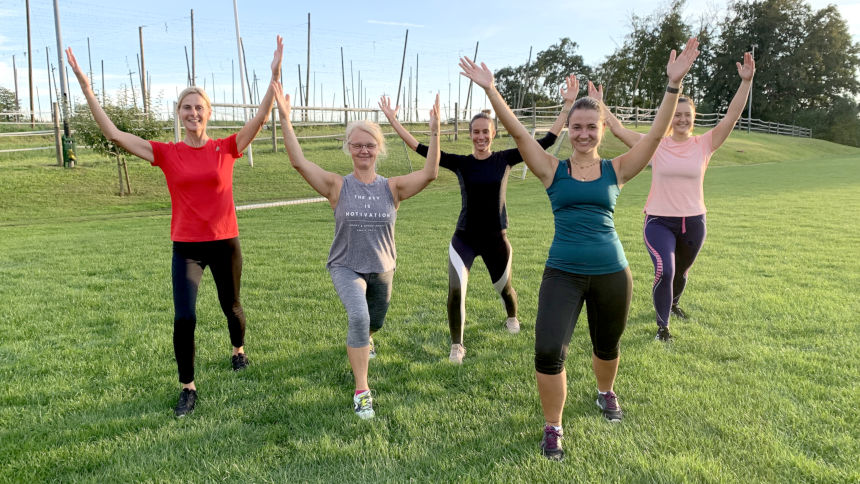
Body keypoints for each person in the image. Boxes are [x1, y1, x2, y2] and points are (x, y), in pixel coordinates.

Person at [459, 37, 699, 461]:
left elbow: (658, 133)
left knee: (607, 348)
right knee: (549, 350)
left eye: (592, 127)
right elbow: (516, 131)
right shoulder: (552, 169)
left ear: (602, 130)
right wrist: (491, 90)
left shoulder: (618, 168)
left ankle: (605, 392)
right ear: (568, 131)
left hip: (612, 273)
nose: (584, 133)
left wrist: (673, 86)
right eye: (577, 127)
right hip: (563, 273)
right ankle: (554, 426)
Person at [66, 37, 284, 417]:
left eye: (199, 107)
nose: (193, 113)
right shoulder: (167, 153)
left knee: (231, 306)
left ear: (208, 113)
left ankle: (238, 351)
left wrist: (274, 76)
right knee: (184, 316)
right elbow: (115, 135)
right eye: (187, 107)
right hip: (187, 247)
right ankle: (188, 386)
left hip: (225, 242)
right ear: (179, 113)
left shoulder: (227, 148)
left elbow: (261, 118)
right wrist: (87, 88)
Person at [378, 78, 578, 364]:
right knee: (456, 288)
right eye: (476, 132)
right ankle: (457, 344)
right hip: (465, 238)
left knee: (504, 289)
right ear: (470, 134)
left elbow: (546, 141)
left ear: (493, 134)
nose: (481, 136)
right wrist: (394, 121)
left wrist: (568, 104)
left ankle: (512, 316)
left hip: (497, 238)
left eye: (486, 131)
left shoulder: (506, 158)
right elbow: (421, 148)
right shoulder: (461, 163)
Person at [274, 81, 440, 419]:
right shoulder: (337, 185)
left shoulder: (393, 187)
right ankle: (362, 390)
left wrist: (435, 133)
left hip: (382, 267)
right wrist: (285, 119)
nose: (363, 150)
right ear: (349, 148)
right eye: (357, 145)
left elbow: (431, 173)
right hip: (345, 265)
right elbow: (299, 162)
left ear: (379, 149)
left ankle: (368, 339)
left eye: (370, 145)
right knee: (359, 316)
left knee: (374, 320)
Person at [597, 52, 755, 342]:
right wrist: (600, 105)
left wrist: (746, 82)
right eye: (676, 115)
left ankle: (673, 303)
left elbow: (732, 115)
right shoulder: (656, 143)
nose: (681, 119)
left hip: (694, 221)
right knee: (665, 269)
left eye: (686, 115)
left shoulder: (705, 143)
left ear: (693, 119)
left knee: (681, 272)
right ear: (670, 118)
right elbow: (619, 130)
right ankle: (662, 327)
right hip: (658, 221)